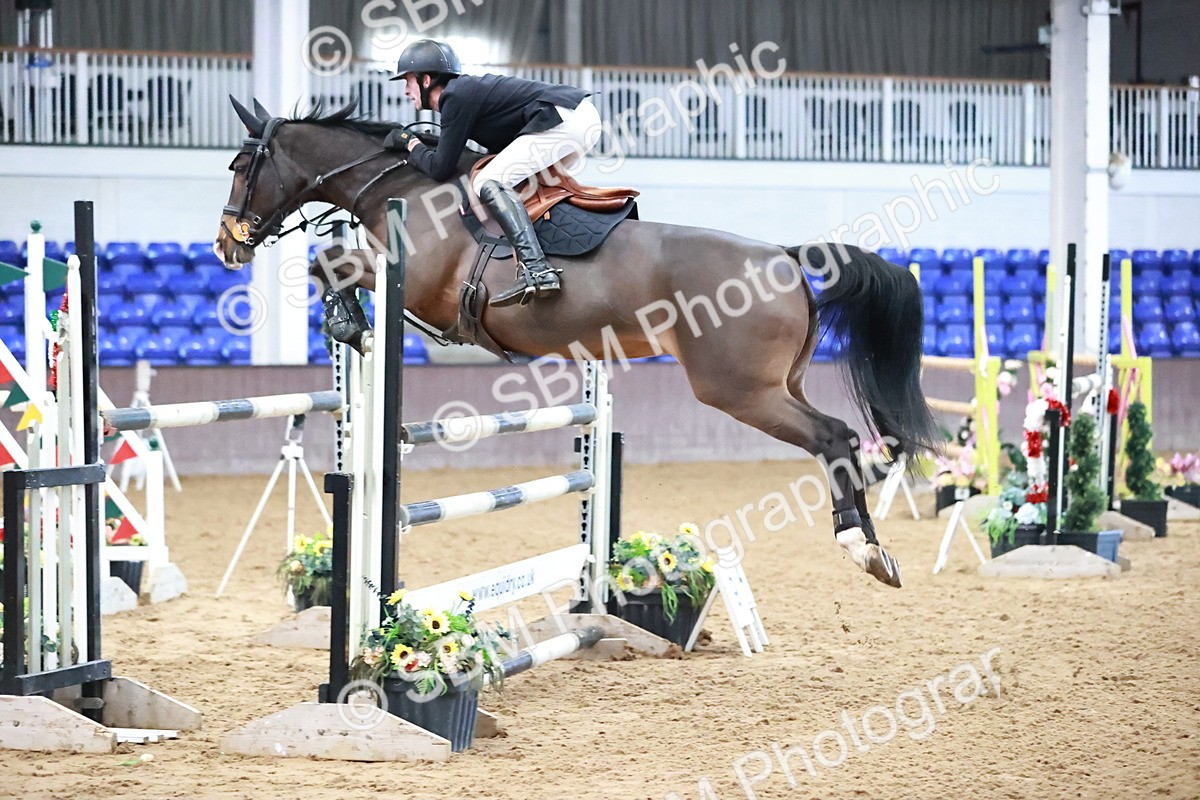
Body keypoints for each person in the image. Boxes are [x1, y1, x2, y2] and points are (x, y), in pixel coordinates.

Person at [386, 39, 601, 307]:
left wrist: (411, 143)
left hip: (564, 118)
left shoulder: (455, 97)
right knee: (522, 186)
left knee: (489, 181)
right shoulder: (465, 95)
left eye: (407, 82)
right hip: (577, 118)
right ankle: (555, 257)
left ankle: (537, 269)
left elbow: (440, 168)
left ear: (426, 79)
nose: (406, 91)